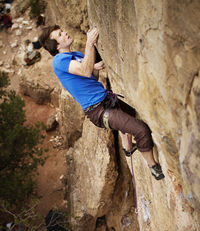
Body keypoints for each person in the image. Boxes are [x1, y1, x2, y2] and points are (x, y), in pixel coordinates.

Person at [39, 25, 165, 180]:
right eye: (60, 34)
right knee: (141, 129)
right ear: (57, 45)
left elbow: (91, 77)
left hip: (105, 100)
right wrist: (90, 43)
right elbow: (85, 71)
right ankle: (153, 166)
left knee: (131, 115)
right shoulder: (59, 61)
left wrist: (95, 67)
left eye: (62, 31)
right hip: (97, 111)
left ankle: (127, 148)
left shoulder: (76, 55)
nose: (65, 33)